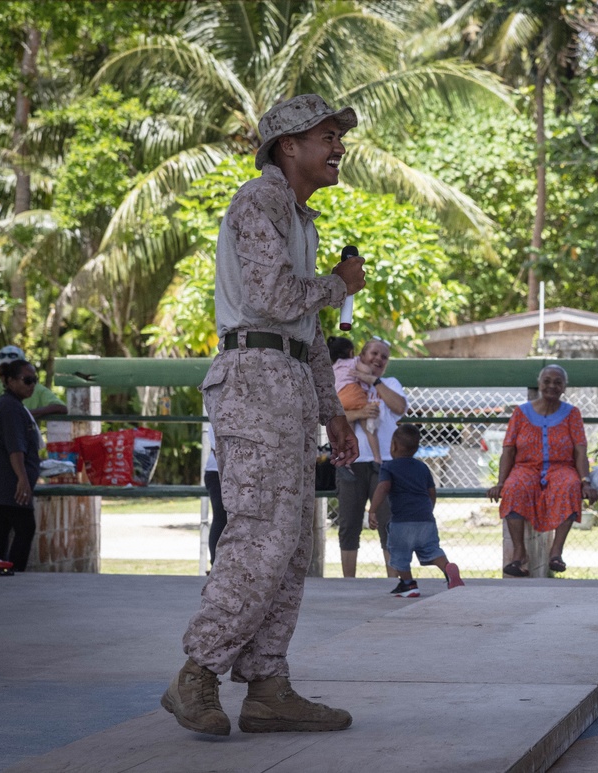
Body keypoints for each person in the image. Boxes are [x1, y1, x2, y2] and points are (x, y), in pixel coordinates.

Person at [162, 94, 365, 738]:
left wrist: (331, 412)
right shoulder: (260, 200)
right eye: (327, 135)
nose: (338, 147)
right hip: (252, 378)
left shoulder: (300, 219)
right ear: (288, 145)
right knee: (260, 535)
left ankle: (268, 685)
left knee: (291, 542)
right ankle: (198, 671)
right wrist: (340, 285)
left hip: (284, 381)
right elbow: (272, 299)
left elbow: (301, 333)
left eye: (339, 136)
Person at [487, 364, 598, 577]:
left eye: (558, 382)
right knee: (514, 487)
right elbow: (508, 451)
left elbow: (580, 451)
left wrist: (585, 480)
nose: (552, 386)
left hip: (561, 467)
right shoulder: (521, 413)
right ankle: (519, 553)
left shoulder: (572, 414)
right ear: (539, 384)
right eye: (547, 381)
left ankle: (556, 552)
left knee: (569, 485)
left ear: (565, 387)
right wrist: (501, 482)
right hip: (526, 468)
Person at [335, 336, 407, 578]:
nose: (378, 359)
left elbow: (399, 407)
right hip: (352, 462)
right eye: (373, 353)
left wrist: (374, 381)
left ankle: (394, 579)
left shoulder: (390, 383)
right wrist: (359, 413)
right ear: (361, 356)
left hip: (384, 462)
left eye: (384, 357)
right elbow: (332, 418)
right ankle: (348, 581)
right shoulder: (344, 383)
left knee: (387, 522)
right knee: (349, 524)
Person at [367, 423, 464, 597]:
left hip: (402, 522)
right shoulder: (422, 467)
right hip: (426, 520)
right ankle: (448, 568)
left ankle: (408, 584)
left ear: (394, 446)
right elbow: (431, 492)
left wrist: (372, 510)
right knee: (432, 550)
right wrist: (429, 510)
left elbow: (383, 488)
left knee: (399, 553)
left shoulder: (389, 467)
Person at [0, 359, 42, 572]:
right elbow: (15, 448)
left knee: (1, 529)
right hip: (4, 482)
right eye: (27, 380)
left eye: (34, 381)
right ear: (10, 381)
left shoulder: (13, 405)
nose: (31, 385)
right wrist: (22, 479)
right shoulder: (10, 408)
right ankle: (14, 572)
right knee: (25, 527)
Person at [0, 345, 67, 436]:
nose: (5, 375)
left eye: (12, 371)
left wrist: (26, 413)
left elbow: (61, 407)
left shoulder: (34, 388)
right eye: (3, 370)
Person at [328, 335, 382, 462]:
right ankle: (377, 457)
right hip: (354, 396)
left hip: (340, 399)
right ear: (351, 352)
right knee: (370, 430)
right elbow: (367, 371)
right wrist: (361, 372)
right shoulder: (352, 362)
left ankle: (345, 457)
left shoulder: (333, 367)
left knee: (347, 430)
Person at [204, 423, 227, 567]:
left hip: (244, 472)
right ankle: (216, 565)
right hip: (217, 471)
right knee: (221, 518)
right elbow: (217, 449)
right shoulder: (219, 410)